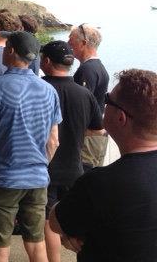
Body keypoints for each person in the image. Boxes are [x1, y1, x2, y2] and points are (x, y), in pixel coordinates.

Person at [49, 69, 157, 261]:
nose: (104, 104)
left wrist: (72, 235)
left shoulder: (100, 182)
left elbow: (56, 222)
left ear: (121, 118)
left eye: (108, 100)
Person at [0, 31, 61, 262]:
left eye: (5, 47)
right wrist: (39, 166)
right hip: (37, 178)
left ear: (11, 50)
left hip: (2, 178)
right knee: (35, 241)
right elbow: (53, 141)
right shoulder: (49, 91)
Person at [39, 41, 102, 262]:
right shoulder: (84, 93)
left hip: (45, 166)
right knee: (73, 222)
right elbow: (98, 128)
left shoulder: (40, 88)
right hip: (74, 167)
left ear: (46, 61)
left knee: (47, 220)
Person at [68, 23, 110, 171]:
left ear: (84, 43)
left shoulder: (87, 70)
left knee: (83, 177)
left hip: (89, 137)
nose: (68, 43)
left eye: (71, 39)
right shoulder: (98, 67)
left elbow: (81, 106)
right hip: (96, 134)